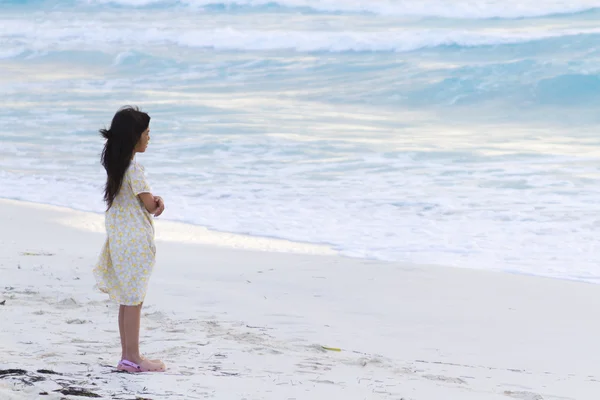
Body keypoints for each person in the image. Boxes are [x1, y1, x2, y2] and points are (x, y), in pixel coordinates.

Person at [93, 106, 166, 373]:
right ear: (134, 136)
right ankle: (134, 357)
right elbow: (149, 205)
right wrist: (158, 202)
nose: (149, 137)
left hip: (120, 240)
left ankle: (127, 356)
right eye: (146, 132)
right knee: (134, 300)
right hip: (135, 242)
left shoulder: (117, 166)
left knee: (127, 299)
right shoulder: (134, 170)